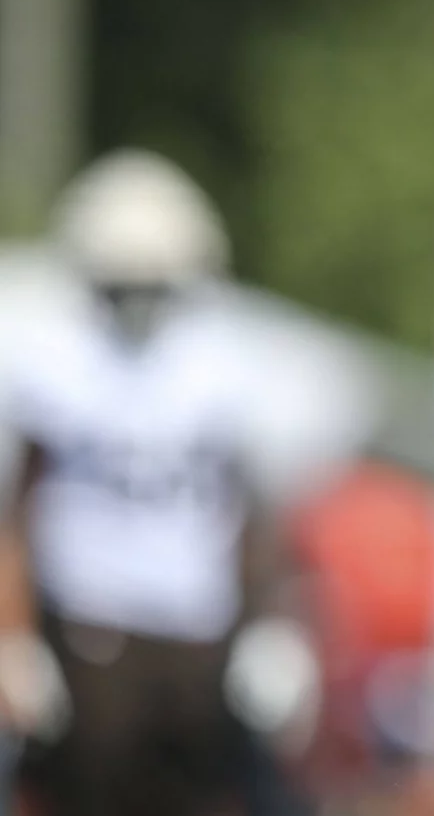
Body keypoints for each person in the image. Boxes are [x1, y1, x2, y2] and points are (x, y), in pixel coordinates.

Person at [0, 151, 276, 816]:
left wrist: (269, 627)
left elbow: (250, 512)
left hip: (195, 638)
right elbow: (20, 518)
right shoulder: (56, 362)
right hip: (92, 633)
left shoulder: (218, 364)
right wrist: (14, 638)